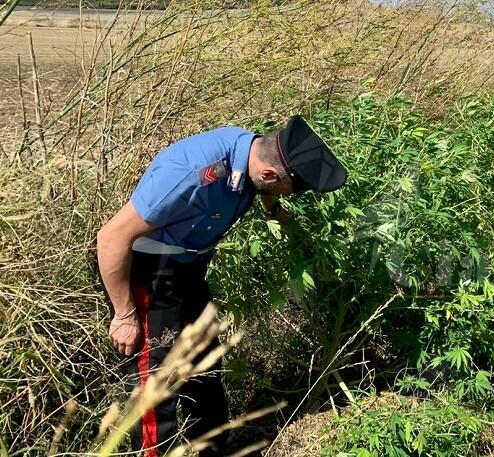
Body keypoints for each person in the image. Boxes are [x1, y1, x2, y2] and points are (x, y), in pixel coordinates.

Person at [95, 116, 347, 456]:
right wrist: (124, 315)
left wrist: (274, 209)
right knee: (156, 382)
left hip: (190, 267)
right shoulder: (191, 173)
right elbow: (111, 238)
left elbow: (259, 184)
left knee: (206, 367)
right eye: (294, 188)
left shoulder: (252, 155)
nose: (294, 195)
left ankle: (214, 450)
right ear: (271, 175)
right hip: (149, 274)